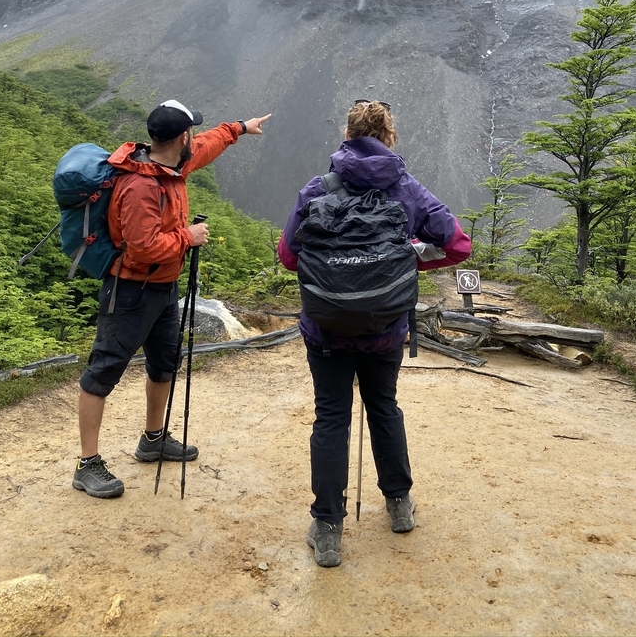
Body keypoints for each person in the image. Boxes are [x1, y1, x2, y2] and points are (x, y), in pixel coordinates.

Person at [277, 99, 471, 567]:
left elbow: (288, 256)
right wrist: (410, 258)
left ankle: (327, 529)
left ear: (346, 135)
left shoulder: (317, 188)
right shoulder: (407, 189)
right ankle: (399, 505)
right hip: (386, 329)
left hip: (325, 329)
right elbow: (458, 245)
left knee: (330, 418)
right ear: (389, 136)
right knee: (384, 408)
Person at [73, 99, 271, 498]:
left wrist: (239, 128)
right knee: (102, 371)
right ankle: (86, 464)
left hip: (164, 288)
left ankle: (152, 440)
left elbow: (207, 145)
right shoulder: (141, 185)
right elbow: (142, 246)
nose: (195, 138)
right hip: (130, 291)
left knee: (165, 363)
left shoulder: (172, 165)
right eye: (191, 132)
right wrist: (188, 238)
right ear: (181, 137)